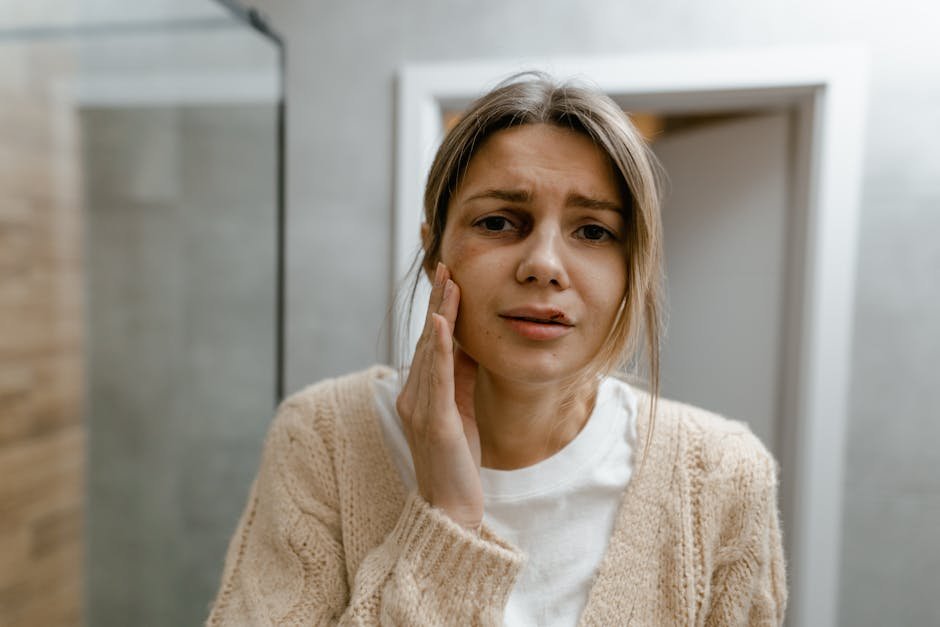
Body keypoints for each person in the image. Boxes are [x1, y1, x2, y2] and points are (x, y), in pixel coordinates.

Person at [206, 73, 787, 626]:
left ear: (631, 268)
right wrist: (447, 519)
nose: (544, 265)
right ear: (435, 249)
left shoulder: (723, 477)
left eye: (593, 231)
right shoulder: (325, 439)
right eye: (499, 221)